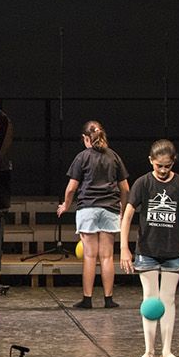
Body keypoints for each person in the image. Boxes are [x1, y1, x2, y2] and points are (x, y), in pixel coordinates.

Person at [120, 139, 179, 357]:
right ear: (151, 161)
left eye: (168, 166)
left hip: (173, 251)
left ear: (173, 162)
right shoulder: (142, 184)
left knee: (168, 299)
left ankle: (166, 351)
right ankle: (148, 351)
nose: (163, 170)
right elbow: (127, 217)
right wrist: (124, 248)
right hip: (147, 250)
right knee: (149, 300)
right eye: (159, 166)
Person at [56, 120, 129, 309]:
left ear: (85, 138)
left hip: (88, 208)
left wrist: (65, 205)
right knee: (106, 256)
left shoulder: (82, 157)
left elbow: (71, 188)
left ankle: (87, 299)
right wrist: (122, 206)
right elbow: (125, 188)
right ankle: (108, 299)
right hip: (110, 208)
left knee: (89, 256)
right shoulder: (114, 156)